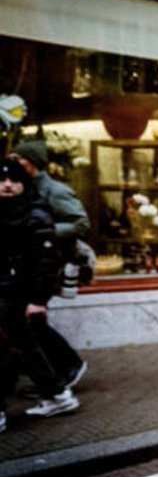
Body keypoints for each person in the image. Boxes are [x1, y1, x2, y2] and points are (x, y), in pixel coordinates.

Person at [0, 159, 79, 425]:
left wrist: (38, 300)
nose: (8, 185)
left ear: (25, 184)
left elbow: (46, 261)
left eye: (14, 181)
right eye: (2, 181)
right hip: (7, 290)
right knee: (25, 345)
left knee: (15, 346)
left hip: (19, 293)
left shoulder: (35, 214)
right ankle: (58, 394)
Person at [10, 139, 89, 388]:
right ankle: (51, 374)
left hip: (48, 263)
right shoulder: (25, 187)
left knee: (32, 320)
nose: (12, 164)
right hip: (27, 263)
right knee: (29, 321)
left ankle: (68, 366)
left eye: (17, 159)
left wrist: (44, 231)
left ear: (31, 163)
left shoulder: (55, 190)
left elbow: (80, 223)